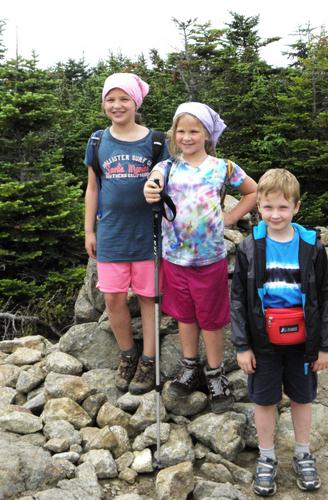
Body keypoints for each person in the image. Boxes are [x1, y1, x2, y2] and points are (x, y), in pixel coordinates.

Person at [144, 102, 258, 413]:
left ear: (207, 134)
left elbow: (253, 191)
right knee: (185, 315)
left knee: (211, 317)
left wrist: (231, 217)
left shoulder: (224, 167)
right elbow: (151, 185)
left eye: (194, 131)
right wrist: (151, 190)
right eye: (181, 131)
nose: (187, 137)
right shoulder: (167, 167)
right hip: (175, 258)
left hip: (210, 259)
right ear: (174, 134)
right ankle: (190, 366)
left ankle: (215, 371)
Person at [230, 168, 328, 496]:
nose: (275, 214)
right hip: (262, 342)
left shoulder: (312, 247)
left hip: (304, 341)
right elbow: (238, 300)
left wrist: (325, 347)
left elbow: (325, 296)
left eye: (283, 207)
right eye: (268, 207)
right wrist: (242, 345)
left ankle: (303, 453)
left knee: (302, 397)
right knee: (264, 399)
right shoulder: (250, 247)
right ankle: (267, 458)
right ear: (258, 207)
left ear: (296, 207)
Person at [84, 73, 169, 395]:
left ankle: (149, 359)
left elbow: (168, 185)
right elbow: (93, 188)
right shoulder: (97, 141)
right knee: (113, 297)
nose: (117, 105)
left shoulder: (156, 141)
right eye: (111, 99)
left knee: (149, 298)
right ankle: (127, 353)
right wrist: (89, 229)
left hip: (149, 235)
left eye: (124, 99)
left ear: (136, 102)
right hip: (111, 234)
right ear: (104, 103)